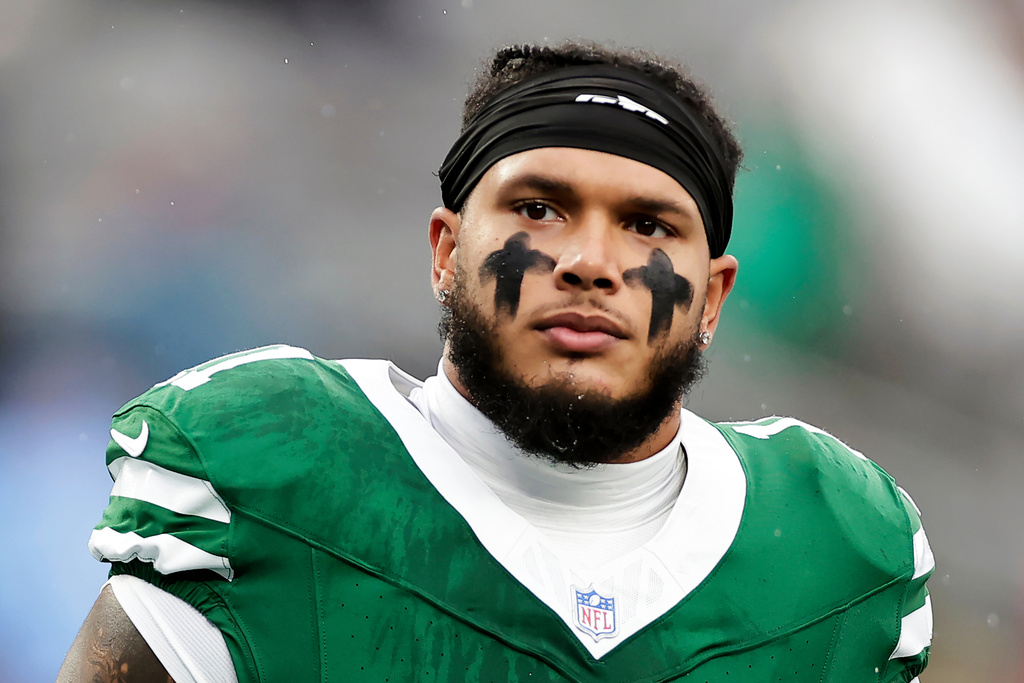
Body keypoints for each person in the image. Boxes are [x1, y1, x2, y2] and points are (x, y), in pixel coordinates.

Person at [58, 42, 933, 682]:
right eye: (541, 207)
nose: (591, 261)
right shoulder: (276, 464)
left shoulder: (838, 547)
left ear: (712, 297)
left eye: (649, 224)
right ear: (445, 252)